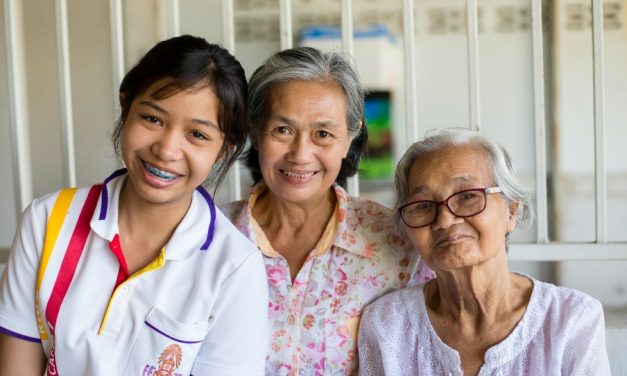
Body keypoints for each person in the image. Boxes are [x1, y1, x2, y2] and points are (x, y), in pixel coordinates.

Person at [0, 35, 268, 375]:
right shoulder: (47, 220)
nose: (167, 149)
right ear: (126, 107)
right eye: (153, 119)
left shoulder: (234, 268)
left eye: (197, 135)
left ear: (224, 150)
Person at [221, 46, 433, 375]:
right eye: (283, 130)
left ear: (350, 137)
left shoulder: (398, 243)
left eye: (323, 134)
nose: (300, 154)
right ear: (255, 131)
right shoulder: (212, 236)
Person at [357, 128, 611, 375]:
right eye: (423, 205)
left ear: (511, 211)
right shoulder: (387, 324)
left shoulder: (571, 319)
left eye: (467, 196)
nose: (444, 220)